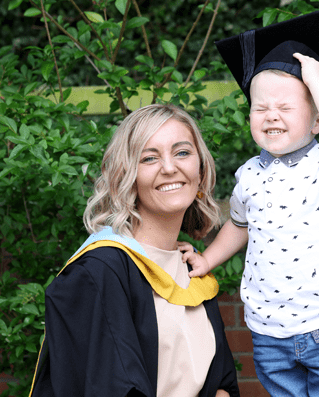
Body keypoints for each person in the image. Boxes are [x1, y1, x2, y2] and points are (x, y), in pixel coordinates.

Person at [178, 11, 319, 396]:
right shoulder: (248, 175)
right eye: (260, 107)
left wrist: (316, 82)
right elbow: (238, 225)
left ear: (317, 121)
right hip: (269, 332)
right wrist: (207, 260)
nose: (271, 116)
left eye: (286, 107)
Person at [28, 104, 239, 397]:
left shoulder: (190, 268)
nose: (169, 167)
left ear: (200, 171)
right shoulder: (99, 272)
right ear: (126, 175)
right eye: (149, 158)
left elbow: (222, 385)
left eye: (182, 152)